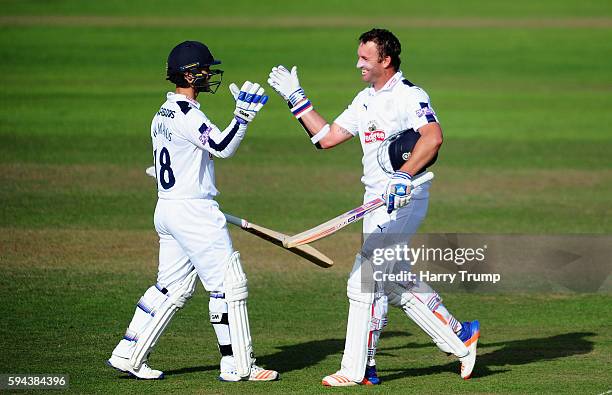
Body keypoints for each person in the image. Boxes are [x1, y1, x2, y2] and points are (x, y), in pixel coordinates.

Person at [267, 28, 479, 386]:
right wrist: (296, 99)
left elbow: (434, 137)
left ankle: (356, 370)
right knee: (392, 282)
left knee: (362, 282)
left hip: (404, 200)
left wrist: (404, 176)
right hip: (374, 204)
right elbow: (327, 137)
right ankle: (459, 336)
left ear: (386, 60)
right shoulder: (365, 98)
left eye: (365, 58)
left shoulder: (409, 96)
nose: (358, 64)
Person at [107, 40, 278, 382]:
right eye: (204, 70)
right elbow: (222, 147)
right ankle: (239, 366)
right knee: (228, 286)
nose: (209, 74)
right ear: (188, 74)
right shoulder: (188, 114)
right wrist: (241, 119)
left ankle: (129, 353)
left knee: (171, 287)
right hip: (194, 214)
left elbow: (185, 154)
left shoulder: (161, 113)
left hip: (168, 208)